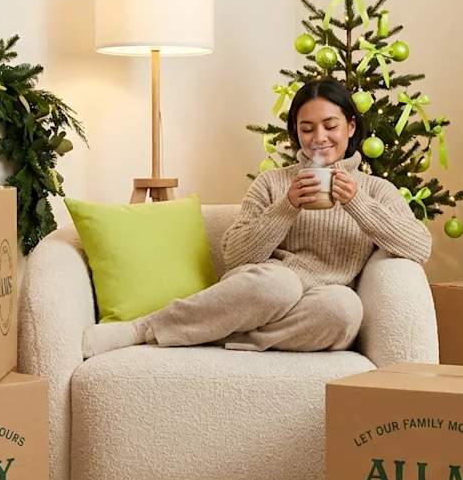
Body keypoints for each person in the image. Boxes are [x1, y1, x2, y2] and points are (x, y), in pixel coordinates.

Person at [81, 78, 432, 358]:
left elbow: (419, 245)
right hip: (262, 289)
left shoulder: (374, 189)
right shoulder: (273, 182)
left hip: (318, 303)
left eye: (330, 125)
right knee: (280, 284)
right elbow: (236, 256)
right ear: (295, 131)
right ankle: (141, 329)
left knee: (344, 309)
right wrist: (286, 206)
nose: (319, 138)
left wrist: (357, 202)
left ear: (351, 127)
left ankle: (213, 332)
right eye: (307, 128)